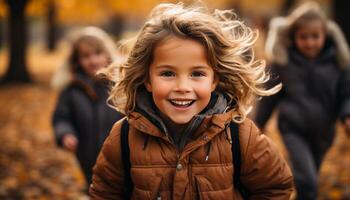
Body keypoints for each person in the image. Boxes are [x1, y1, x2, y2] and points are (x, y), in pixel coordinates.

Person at [90, 3, 294, 199]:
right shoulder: (124, 135)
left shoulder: (240, 135)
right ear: (147, 79)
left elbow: (275, 186)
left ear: (214, 80)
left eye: (197, 74)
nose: (182, 87)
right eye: (168, 73)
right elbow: (105, 192)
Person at [255, 2, 350, 200]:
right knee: (306, 179)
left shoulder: (337, 63)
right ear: (293, 37)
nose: (309, 42)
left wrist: (347, 115)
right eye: (303, 37)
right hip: (293, 129)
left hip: (325, 131)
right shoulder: (284, 62)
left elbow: (346, 93)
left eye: (315, 37)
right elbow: (270, 95)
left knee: (311, 176)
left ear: (325, 35)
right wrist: (259, 123)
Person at [52, 26, 124, 188]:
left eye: (97, 54)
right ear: (77, 60)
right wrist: (65, 134)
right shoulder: (71, 90)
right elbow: (61, 117)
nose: (93, 60)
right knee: (95, 188)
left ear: (107, 54)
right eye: (85, 56)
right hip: (88, 156)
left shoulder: (118, 85)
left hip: (121, 156)